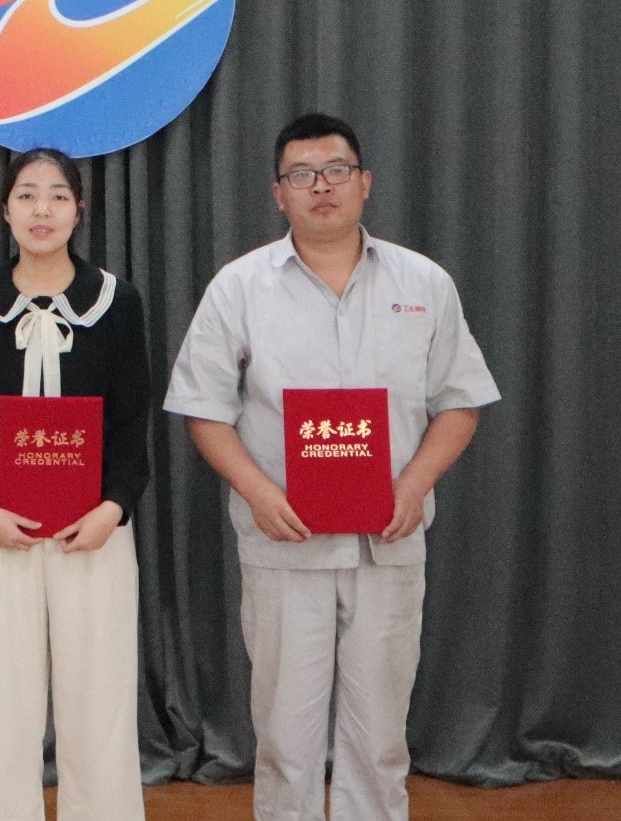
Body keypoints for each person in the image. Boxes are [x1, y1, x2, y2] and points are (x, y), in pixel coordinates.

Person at [164, 114, 499, 821]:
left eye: (336, 171)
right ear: (278, 193)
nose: (321, 187)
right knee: (285, 736)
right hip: (284, 544)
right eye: (301, 175)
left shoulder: (424, 282)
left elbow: (461, 401)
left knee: (379, 736)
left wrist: (415, 484)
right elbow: (203, 409)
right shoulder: (239, 288)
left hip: (389, 541)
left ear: (365, 182)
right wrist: (257, 491)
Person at [0, 147, 152, 821]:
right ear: (5, 210)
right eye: (27, 194)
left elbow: (132, 426)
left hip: (94, 532)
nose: (42, 209)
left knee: (101, 708)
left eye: (58, 195)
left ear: (79, 210)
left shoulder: (117, 303)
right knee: (3, 711)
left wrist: (113, 508)